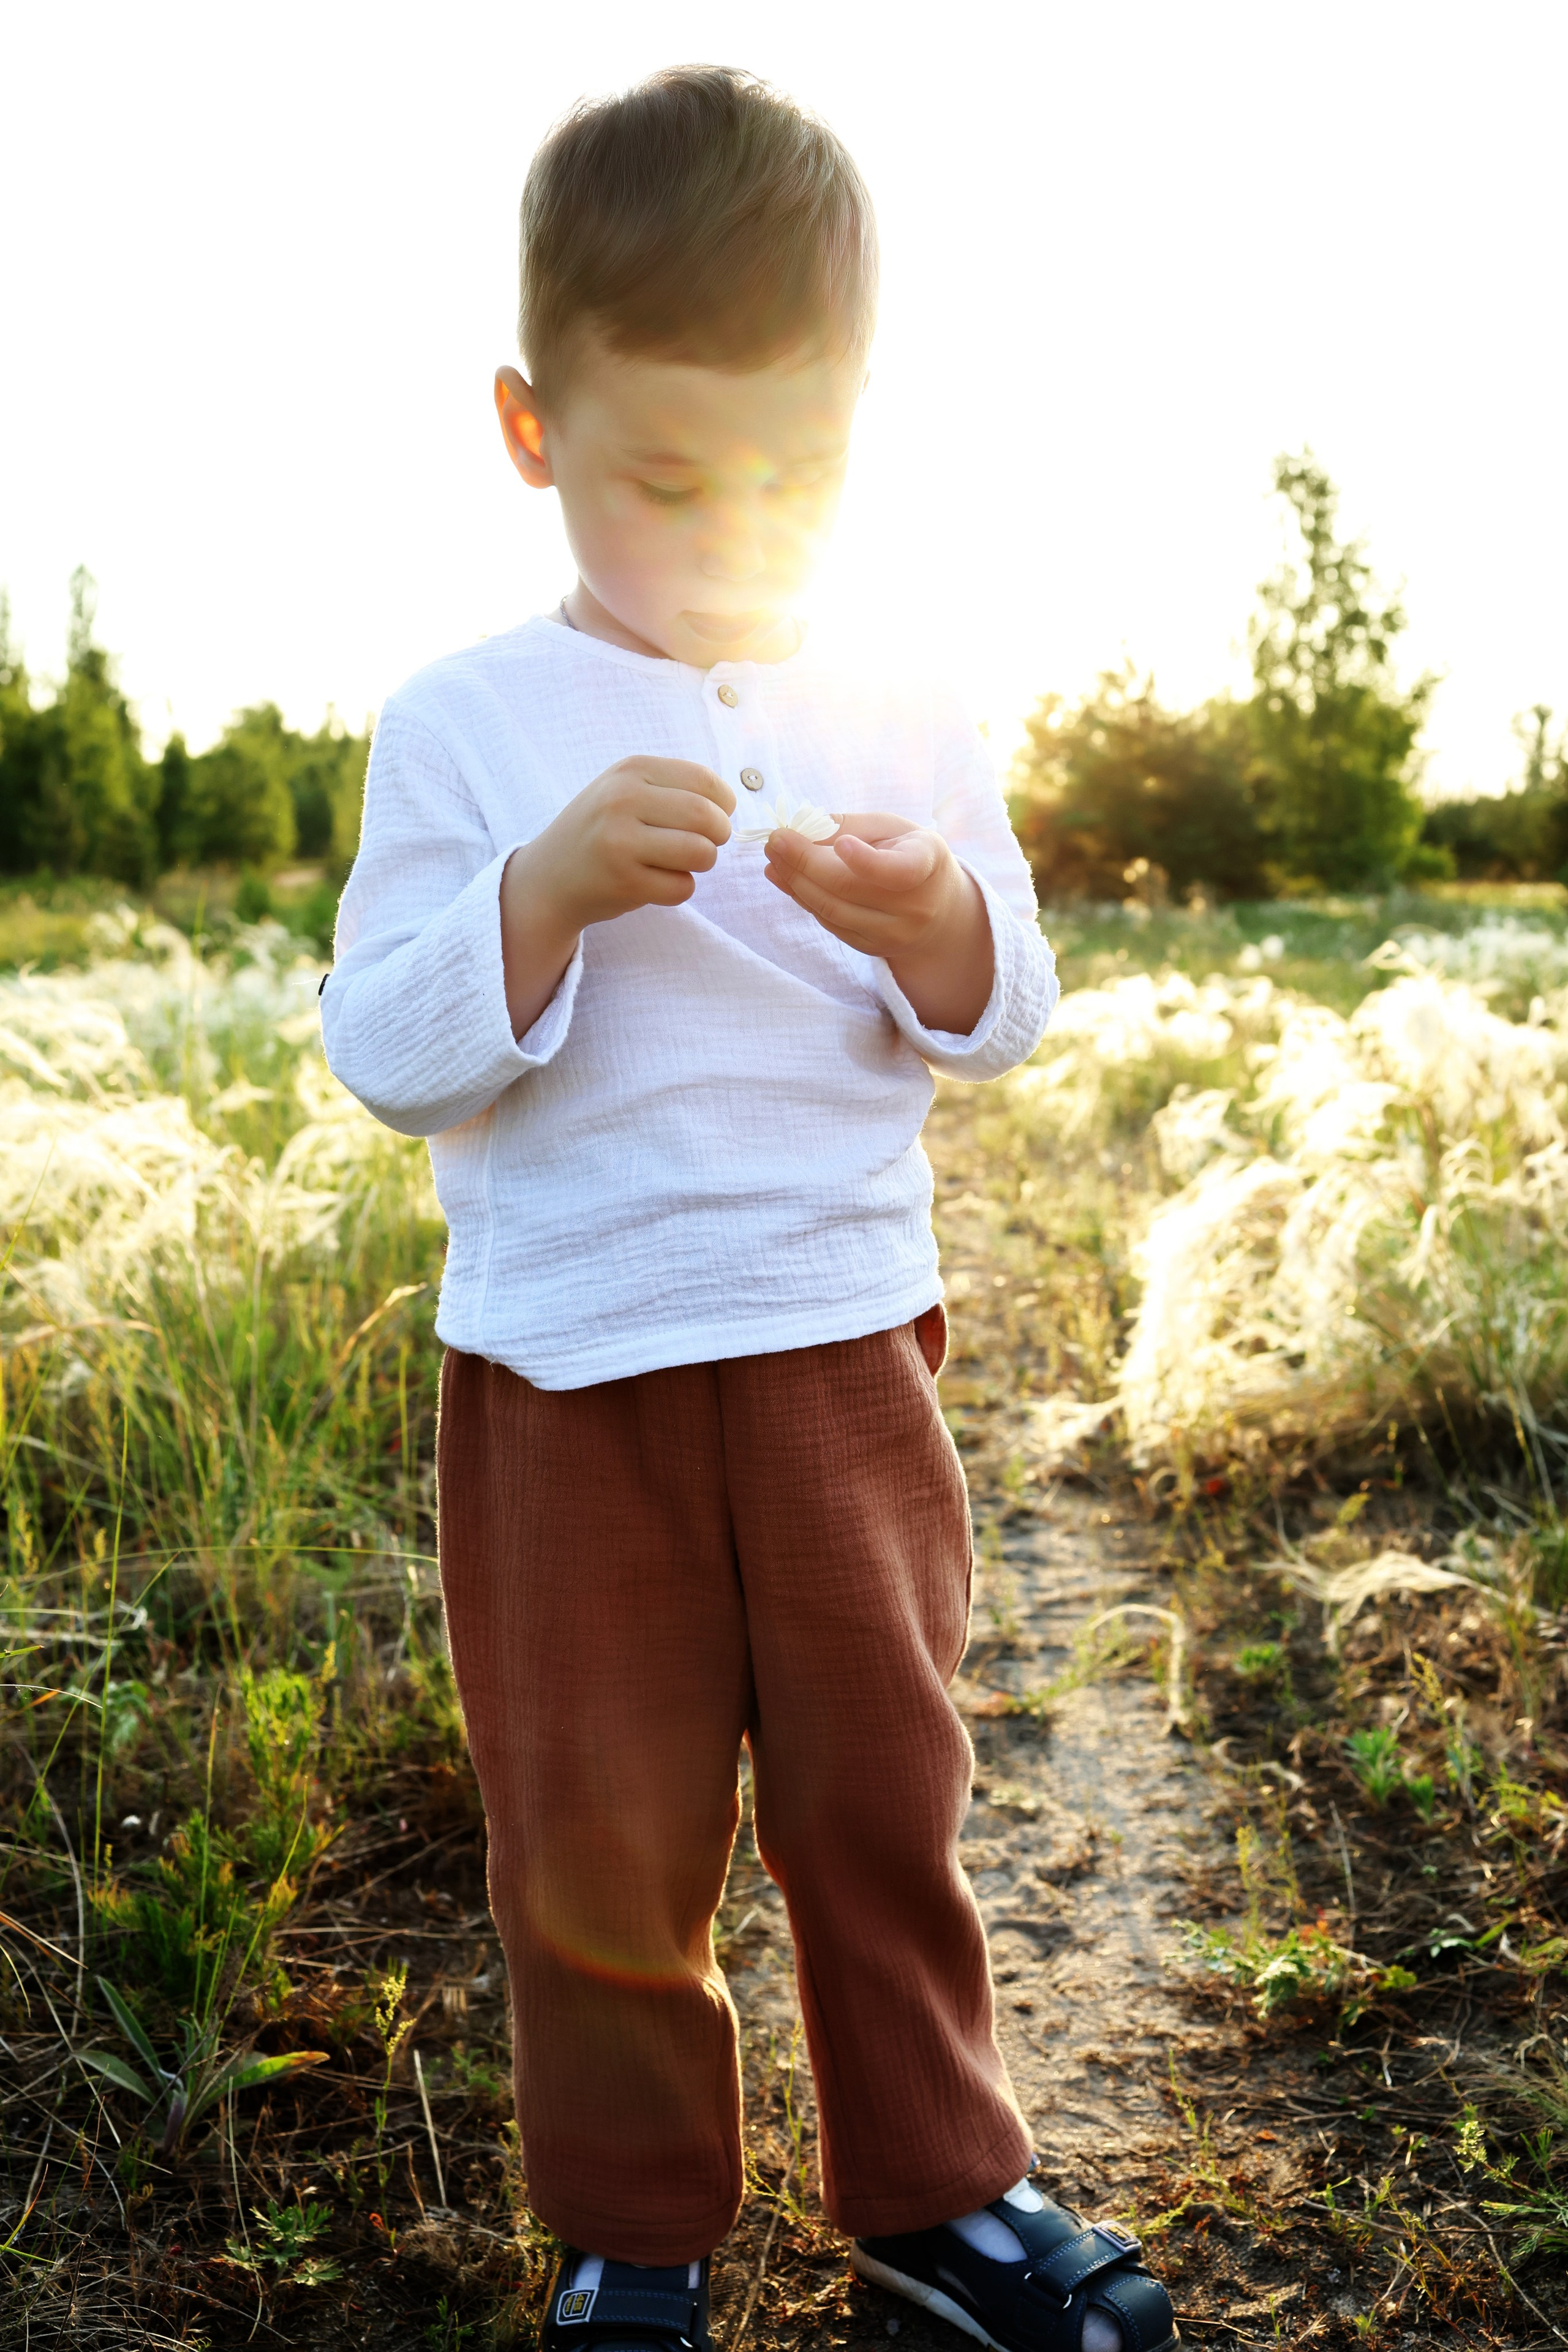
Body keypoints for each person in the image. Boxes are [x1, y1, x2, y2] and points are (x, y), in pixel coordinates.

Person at [322, 65, 1177, 2352]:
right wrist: (540, 893)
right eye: (659, 478)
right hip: (564, 1365)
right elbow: (387, 1041)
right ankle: (634, 2237)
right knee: (592, 1843)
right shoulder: (467, 724)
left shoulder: (896, 695)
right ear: (532, 430)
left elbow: (1008, 1003)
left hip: (832, 1336)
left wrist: (927, 925)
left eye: (785, 480)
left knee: (883, 1789)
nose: (723, 534)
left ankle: (937, 2187)